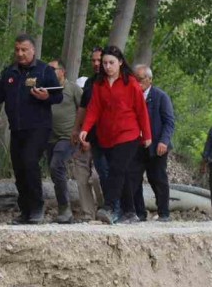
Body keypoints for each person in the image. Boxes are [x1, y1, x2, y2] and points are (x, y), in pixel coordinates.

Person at [0, 34, 62, 224]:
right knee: (19, 168)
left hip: (39, 127)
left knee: (29, 162)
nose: (20, 53)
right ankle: (25, 211)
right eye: (17, 50)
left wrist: (45, 97)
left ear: (33, 50)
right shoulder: (10, 72)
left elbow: (58, 96)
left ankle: (37, 208)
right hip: (17, 129)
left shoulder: (44, 71)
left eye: (24, 50)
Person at [78, 45, 151, 224]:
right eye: (105, 63)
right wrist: (85, 129)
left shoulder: (131, 83)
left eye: (111, 62)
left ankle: (109, 207)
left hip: (129, 133)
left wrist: (147, 135)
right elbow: (94, 108)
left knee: (116, 170)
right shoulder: (99, 84)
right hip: (107, 136)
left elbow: (141, 110)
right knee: (122, 173)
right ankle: (130, 212)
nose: (107, 66)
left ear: (120, 62)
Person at [130, 65, 175, 222]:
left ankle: (164, 213)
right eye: (135, 79)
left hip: (157, 146)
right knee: (133, 179)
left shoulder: (161, 97)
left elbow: (169, 122)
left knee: (158, 179)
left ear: (150, 79)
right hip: (137, 146)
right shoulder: (132, 97)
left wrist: (164, 141)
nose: (137, 82)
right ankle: (140, 214)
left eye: (140, 79)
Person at [45, 58, 82, 223]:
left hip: (68, 137)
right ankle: (63, 207)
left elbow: (85, 110)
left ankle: (65, 209)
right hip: (49, 137)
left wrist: (82, 133)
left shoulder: (73, 88)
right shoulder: (46, 89)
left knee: (56, 165)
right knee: (54, 171)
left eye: (53, 69)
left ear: (62, 71)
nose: (49, 72)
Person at [75, 47, 111, 202]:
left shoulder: (113, 82)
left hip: (108, 137)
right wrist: (77, 129)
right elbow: (83, 109)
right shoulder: (89, 83)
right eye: (93, 60)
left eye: (99, 60)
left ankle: (110, 205)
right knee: (85, 176)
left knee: (102, 174)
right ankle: (90, 212)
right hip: (88, 135)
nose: (96, 64)